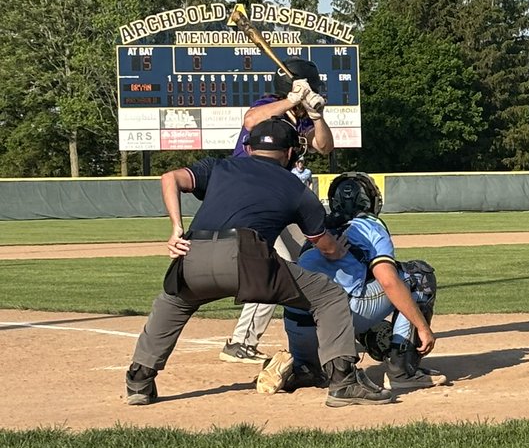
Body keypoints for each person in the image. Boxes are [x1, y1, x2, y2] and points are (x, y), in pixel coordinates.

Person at [124, 117, 392, 408]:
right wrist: (337, 251)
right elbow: (323, 244)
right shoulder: (295, 187)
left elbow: (170, 178)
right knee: (327, 296)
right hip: (248, 258)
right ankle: (343, 381)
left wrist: (176, 227)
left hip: (194, 249)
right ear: (291, 153)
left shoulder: (219, 166)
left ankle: (139, 380)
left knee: (173, 303)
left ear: (249, 149)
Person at [256, 172, 448, 397]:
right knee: (417, 276)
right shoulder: (370, 225)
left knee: (345, 292)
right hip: (337, 317)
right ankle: (402, 372)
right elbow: (388, 281)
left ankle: (303, 367)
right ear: (370, 201)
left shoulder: (320, 231)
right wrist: (423, 328)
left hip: (298, 323)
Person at [220, 58, 334, 365]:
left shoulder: (304, 119)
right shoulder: (271, 104)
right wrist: (290, 100)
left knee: (304, 257)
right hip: (249, 195)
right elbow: (250, 121)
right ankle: (242, 341)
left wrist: (317, 116)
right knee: (277, 264)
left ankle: (321, 326)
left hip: (277, 196)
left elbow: (324, 147)